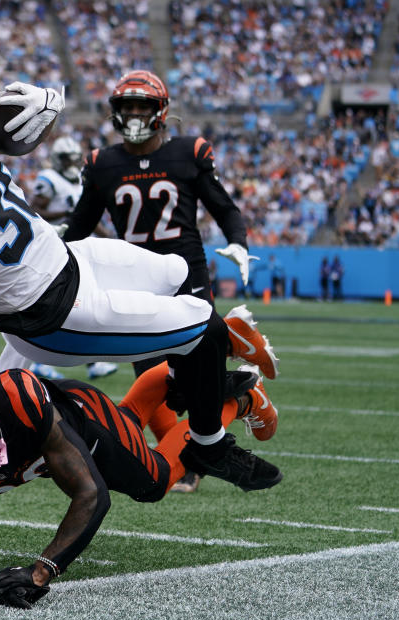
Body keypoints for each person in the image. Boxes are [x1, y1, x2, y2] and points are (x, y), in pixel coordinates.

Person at [0, 56, 281, 492]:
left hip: (70, 259)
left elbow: (1, 124)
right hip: (53, 314)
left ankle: (193, 386)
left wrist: (38, 106)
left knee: (177, 271)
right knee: (202, 328)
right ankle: (210, 444)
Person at [0, 360, 279, 608]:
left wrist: (41, 571)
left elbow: (91, 494)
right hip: (64, 439)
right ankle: (175, 376)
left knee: (154, 480)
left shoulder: (17, 401)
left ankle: (232, 402)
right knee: (130, 426)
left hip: (84, 421)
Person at [60, 70, 267, 492]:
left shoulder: (187, 153)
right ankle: (206, 431)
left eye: (143, 106)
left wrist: (240, 242)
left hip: (187, 272)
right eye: (128, 107)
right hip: (134, 277)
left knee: (188, 375)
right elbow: (80, 226)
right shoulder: (103, 163)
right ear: (116, 113)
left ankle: (230, 402)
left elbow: (223, 206)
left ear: (161, 112)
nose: (134, 114)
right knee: (153, 373)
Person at [26, 135, 118, 383]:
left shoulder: (79, 181)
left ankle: (90, 360)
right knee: (59, 304)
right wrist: (65, 214)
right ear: (58, 159)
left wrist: (108, 236)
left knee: (81, 303)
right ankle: (35, 362)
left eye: (75, 157)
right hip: (53, 249)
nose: (73, 162)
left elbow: (86, 217)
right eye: (68, 158)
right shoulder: (49, 180)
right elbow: (33, 210)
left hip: (75, 249)